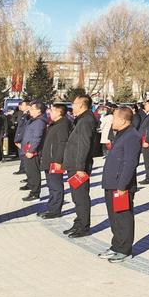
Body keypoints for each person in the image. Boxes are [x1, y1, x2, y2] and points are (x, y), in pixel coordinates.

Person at [99, 106, 142, 262]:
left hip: (121, 185)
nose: (112, 121)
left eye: (115, 118)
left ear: (123, 120)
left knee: (123, 218)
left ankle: (124, 248)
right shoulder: (121, 134)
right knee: (114, 218)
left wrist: (122, 186)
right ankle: (116, 245)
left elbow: (130, 163)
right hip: (111, 182)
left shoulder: (132, 136)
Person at [64, 95, 98, 238]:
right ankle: (78, 222)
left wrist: (80, 167)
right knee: (76, 197)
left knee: (81, 196)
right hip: (74, 164)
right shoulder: (81, 119)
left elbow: (84, 145)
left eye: (74, 103)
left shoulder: (86, 120)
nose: (72, 106)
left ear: (82, 105)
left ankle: (83, 226)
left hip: (79, 166)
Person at [39, 103, 71, 219]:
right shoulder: (55, 124)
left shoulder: (63, 125)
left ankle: (55, 210)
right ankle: (51, 207)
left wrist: (58, 160)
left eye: (52, 111)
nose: (49, 112)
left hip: (55, 161)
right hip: (49, 159)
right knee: (51, 186)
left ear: (59, 112)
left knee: (56, 186)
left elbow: (63, 144)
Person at [20, 102, 47, 201]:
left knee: (34, 172)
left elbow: (37, 137)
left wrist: (31, 150)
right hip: (27, 149)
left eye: (32, 109)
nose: (30, 111)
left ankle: (35, 193)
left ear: (39, 110)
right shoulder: (33, 120)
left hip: (33, 151)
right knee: (30, 171)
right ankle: (32, 188)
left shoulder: (39, 122)